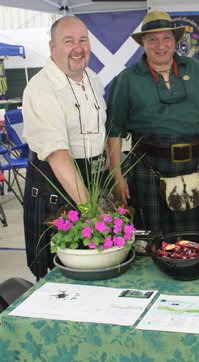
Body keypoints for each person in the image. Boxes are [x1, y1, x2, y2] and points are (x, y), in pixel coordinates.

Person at [106, 11, 199, 236]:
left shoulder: (195, 69)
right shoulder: (127, 78)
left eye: (166, 38)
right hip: (148, 167)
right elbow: (114, 130)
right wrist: (116, 176)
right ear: (144, 43)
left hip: (196, 164)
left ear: (175, 40)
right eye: (153, 39)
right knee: (153, 242)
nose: (161, 45)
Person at [22, 16, 107, 278]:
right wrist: (90, 210)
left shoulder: (93, 79)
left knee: (97, 268)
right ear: (52, 48)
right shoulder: (42, 88)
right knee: (60, 278)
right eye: (68, 41)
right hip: (56, 189)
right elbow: (58, 155)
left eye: (82, 40)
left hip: (91, 184)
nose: (77, 48)